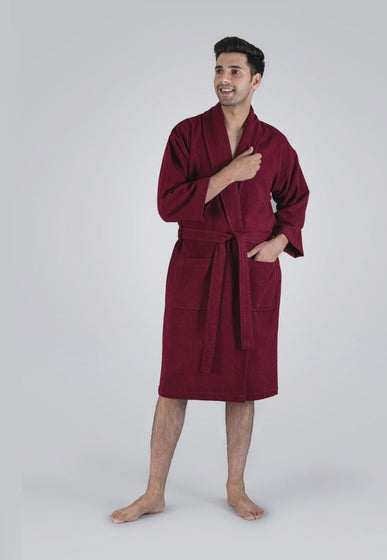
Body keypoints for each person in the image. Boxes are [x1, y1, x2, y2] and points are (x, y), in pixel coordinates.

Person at [111, 36, 309, 523]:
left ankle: (236, 487)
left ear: (256, 80)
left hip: (250, 272)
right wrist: (229, 175)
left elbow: (296, 198)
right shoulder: (186, 134)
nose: (224, 78)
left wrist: (281, 241)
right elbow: (167, 204)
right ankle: (154, 492)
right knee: (174, 382)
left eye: (235, 71)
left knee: (242, 385)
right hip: (197, 268)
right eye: (219, 69)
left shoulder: (275, 143)